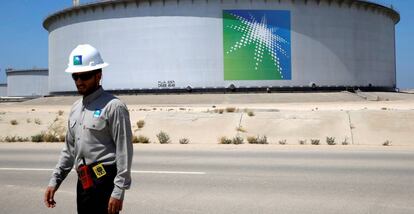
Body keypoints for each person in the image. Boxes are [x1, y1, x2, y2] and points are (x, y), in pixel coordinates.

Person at [44, 44, 133, 214]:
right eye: (75, 76)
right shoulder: (76, 108)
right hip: (84, 182)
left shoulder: (114, 107)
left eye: (84, 76)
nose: (79, 81)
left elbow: (124, 151)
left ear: (98, 75)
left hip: (104, 181)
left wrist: (119, 190)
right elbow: (69, 151)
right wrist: (54, 181)